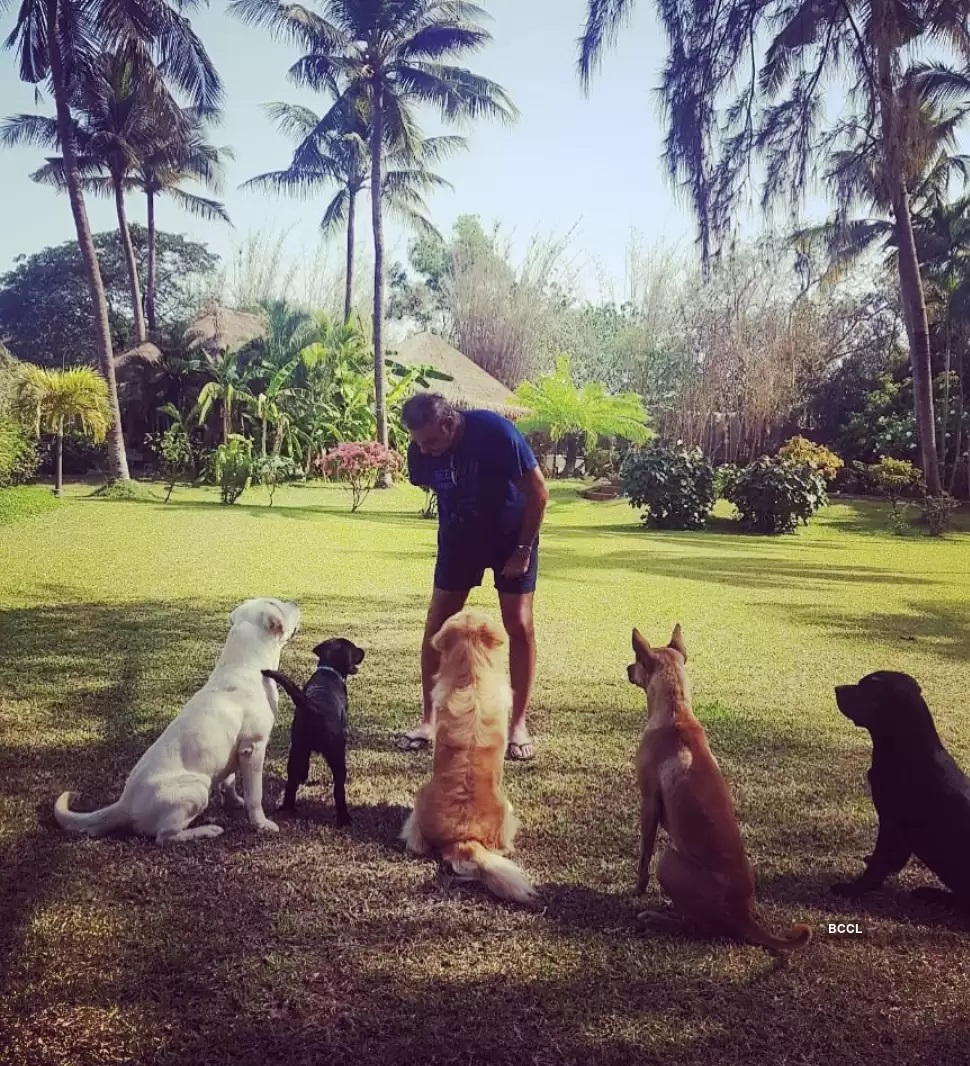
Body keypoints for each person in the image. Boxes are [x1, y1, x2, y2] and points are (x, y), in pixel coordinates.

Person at [396, 392, 549, 761]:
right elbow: (429, 481)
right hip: (460, 540)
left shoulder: (497, 433)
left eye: (431, 441)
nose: (425, 450)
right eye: (418, 442)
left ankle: (518, 725)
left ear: (449, 424)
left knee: (519, 623)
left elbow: (539, 493)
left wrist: (523, 550)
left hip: (510, 538)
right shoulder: (422, 448)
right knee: (438, 627)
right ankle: (429, 720)